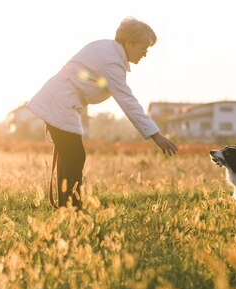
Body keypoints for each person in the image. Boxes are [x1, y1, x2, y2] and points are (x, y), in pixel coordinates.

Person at [27, 17, 178, 209]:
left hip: (61, 102)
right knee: (74, 156)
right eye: (144, 47)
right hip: (60, 103)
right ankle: (71, 209)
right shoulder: (112, 62)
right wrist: (156, 136)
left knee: (71, 155)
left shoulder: (105, 49)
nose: (145, 53)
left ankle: (68, 208)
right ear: (129, 43)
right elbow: (127, 101)